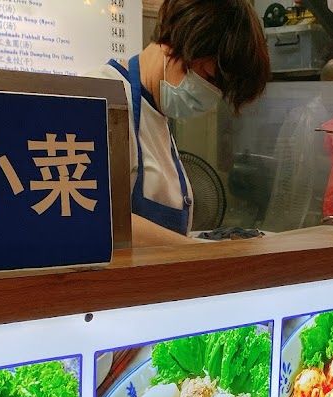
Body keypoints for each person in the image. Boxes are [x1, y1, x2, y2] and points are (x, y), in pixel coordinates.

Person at [93, 0, 270, 247]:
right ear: (176, 41)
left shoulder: (155, 112)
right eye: (208, 76)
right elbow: (97, 217)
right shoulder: (103, 98)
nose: (210, 95)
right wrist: (199, 254)